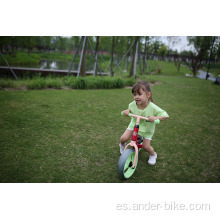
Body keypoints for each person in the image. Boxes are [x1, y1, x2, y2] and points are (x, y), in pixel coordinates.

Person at [119, 81, 169, 165]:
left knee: (146, 146)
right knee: (123, 138)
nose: (136, 97)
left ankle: (153, 155)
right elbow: (129, 110)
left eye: (139, 94)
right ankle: (122, 145)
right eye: (135, 95)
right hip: (134, 124)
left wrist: (155, 118)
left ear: (148, 95)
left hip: (147, 128)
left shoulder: (153, 107)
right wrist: (126, 112)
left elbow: (165, 115)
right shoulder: (132, 104)